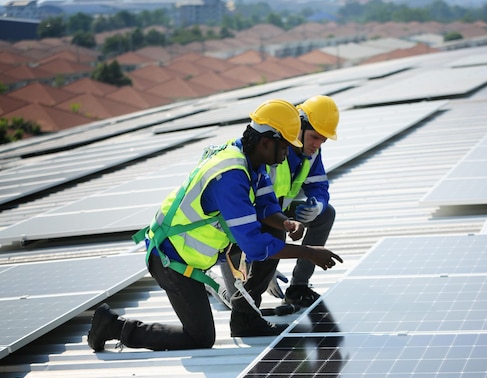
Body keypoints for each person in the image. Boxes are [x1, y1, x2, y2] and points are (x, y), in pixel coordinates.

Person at [87, 98, 343, 352]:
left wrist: (285, 222)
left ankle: (246, 319)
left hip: (193, 260)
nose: (289, 154)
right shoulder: (230, 176)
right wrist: (309, 252)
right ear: (267, 142)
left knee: (273, 229)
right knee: (199, 338)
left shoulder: (253, 161)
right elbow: (254, 246)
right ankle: (113, 326)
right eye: (286, 147)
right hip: (170, 261)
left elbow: (266, 205)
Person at [219, 95, 339, 310]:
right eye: (314, 137)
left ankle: (298, 288)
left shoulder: (311, 152)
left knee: (326, 214)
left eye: (323, 140)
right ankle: (217, 286)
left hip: (274, 213)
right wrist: (267, 262)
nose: (317, 145)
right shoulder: (265, 150)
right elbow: (245, 216)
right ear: (299, 127)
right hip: (240, 223)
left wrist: (317, 207)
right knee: (235, 300)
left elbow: (319, 187)